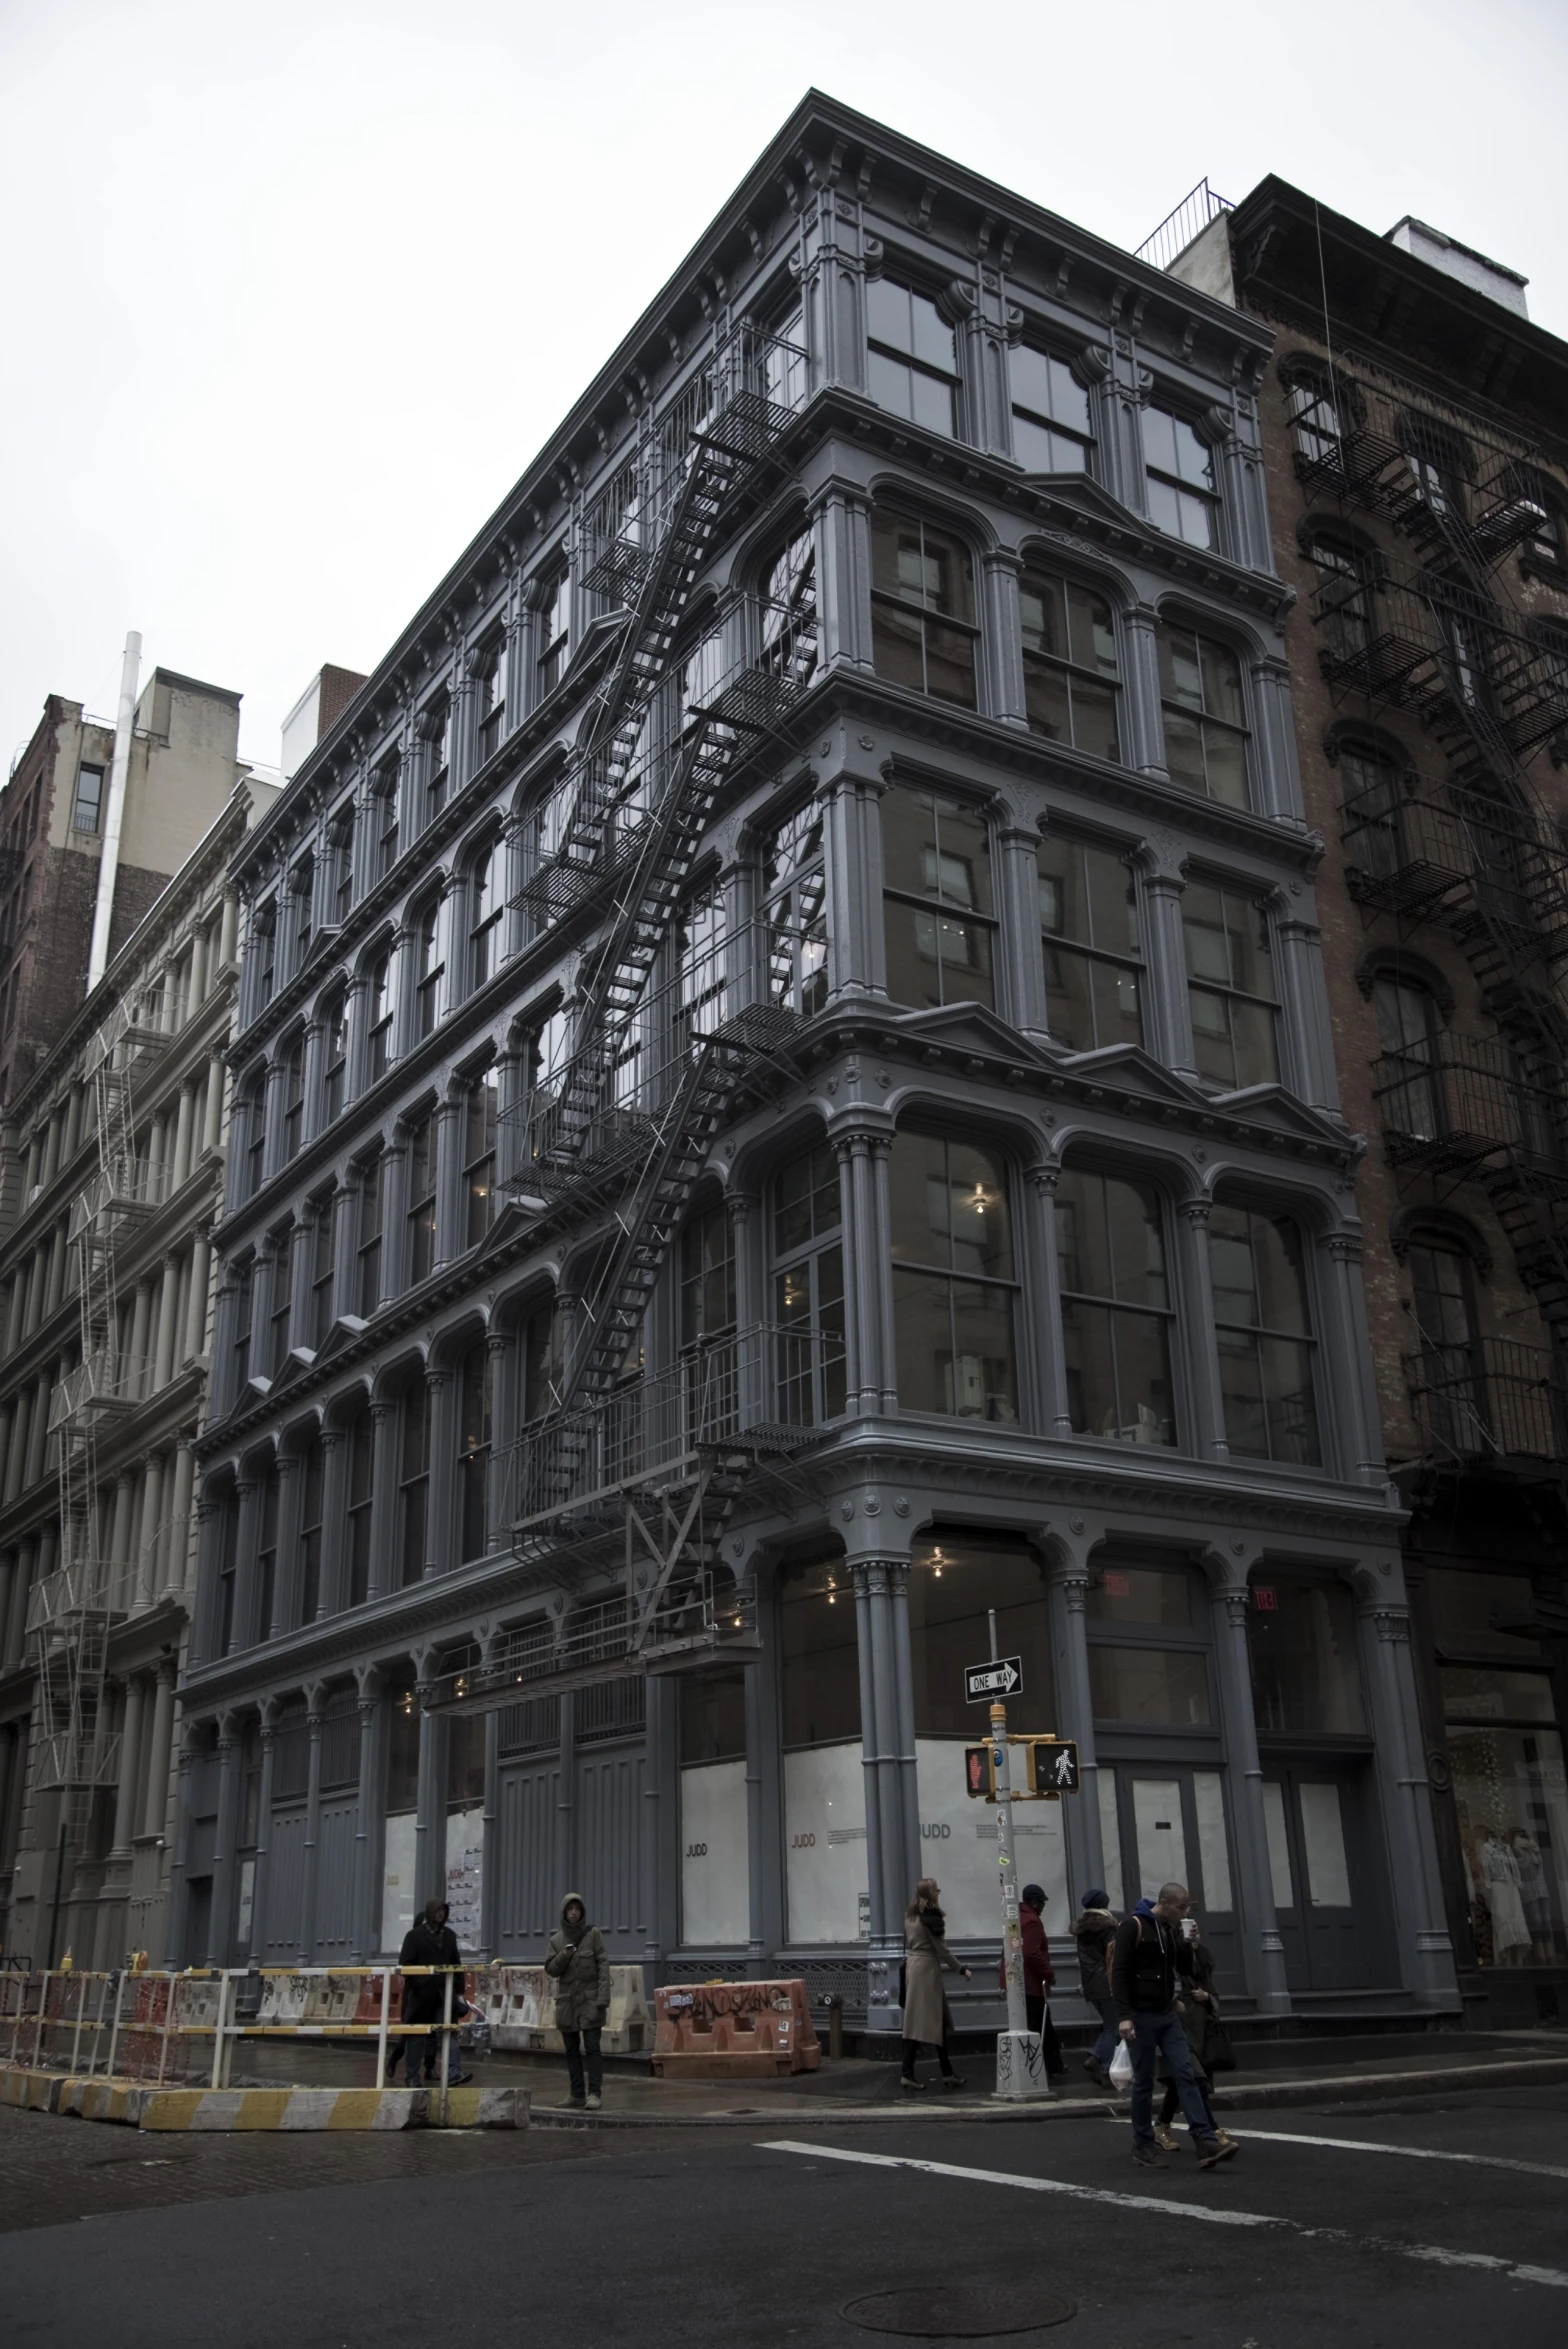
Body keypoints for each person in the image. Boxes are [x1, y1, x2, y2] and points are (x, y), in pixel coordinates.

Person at [1112, 1879, 1235, 2170]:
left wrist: (1189, 1947)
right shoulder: (1133, 1926)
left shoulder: (1168, 1929)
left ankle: (1205, 2139)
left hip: (1167, 2015)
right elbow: (1119, 1973)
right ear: (1164, 1903)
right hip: (1140, 2017)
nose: (1184, 1912)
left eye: (1187, 1908)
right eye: (1180, 1907)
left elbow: (1181, 1969)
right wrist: (1124, 2015)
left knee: (1186, 2073)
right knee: (1143, 2081)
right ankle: (1143, 2144)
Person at [1153, 1913, 1235, 2156]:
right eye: (1190, 1933)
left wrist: (1206, 1998)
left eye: (1196, 1933)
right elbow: (1163, 1987)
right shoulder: (1171, 1956)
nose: (1194, 1938)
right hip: (1179, 2027)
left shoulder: (1205, 1959)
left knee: (1184, 2082)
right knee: (1195, 2079)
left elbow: (1215, 1994)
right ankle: (1213, 2133)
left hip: (1202, 2030)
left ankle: (1161, 2126)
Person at [388, 1898, 472, 2086]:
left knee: (448, 2032)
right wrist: (420, 1983)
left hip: (444, 1994)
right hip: (421, 1996)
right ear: (430, 1912)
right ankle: (412, 2077)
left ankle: (453, 2072)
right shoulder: (414, 1936)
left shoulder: (449, 1936)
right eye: (438, 1911)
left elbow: (455, 1964)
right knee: (416, 2037)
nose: (441, 1914)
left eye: (443, 1911)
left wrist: (459, 1990)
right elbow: (406, 1965)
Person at [902, 1877, 970, 2092]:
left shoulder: (911, 1916)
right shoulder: (930, 1918)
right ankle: (908, 2073)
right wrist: (961, 1969)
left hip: (914, 1968)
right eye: (937, 1891)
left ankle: (946, 2072)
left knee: (930, 2022)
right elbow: (942, 1950)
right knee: (923, 2023)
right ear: (932, 1894)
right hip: (926, 1972)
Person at [545, 1892, 611, 2110]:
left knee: (592, 2047)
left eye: (577, 1909)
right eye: (570, 1909)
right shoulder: (556, 1940)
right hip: (567, 2003)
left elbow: (603, 1966)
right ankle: (576, 2094)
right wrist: (564, 1955)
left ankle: (594, 2093)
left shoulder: (593, 1935)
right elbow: (552, 1970)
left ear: (582, 1911)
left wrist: (603, 1998)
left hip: (590, 2001)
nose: (573, 1913)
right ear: (564, 1913)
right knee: (571, 2050)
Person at [1070, 1888, 1119, 2087]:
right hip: (1106, 1982)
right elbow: (1113, 1956)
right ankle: (1100, 2062)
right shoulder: (1108, 1927)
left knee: (1109, 2024)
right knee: (1113, 2026)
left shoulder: (1083, 1929)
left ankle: (1098, 2060)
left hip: (1091, 1983)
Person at [1018, 1885, 1065, 2077]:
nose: (1044, 1906)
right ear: (1034, 1902)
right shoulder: (1032, 1921)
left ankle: (1054, 2065)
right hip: (1031, 1982)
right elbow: (1031, 1953)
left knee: (1042, 2022)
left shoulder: (1017, 1917)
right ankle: (1041, 2067)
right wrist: (1048, 1974)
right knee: (1039, 2024)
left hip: (1022, 1982)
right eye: (1042, 1902)